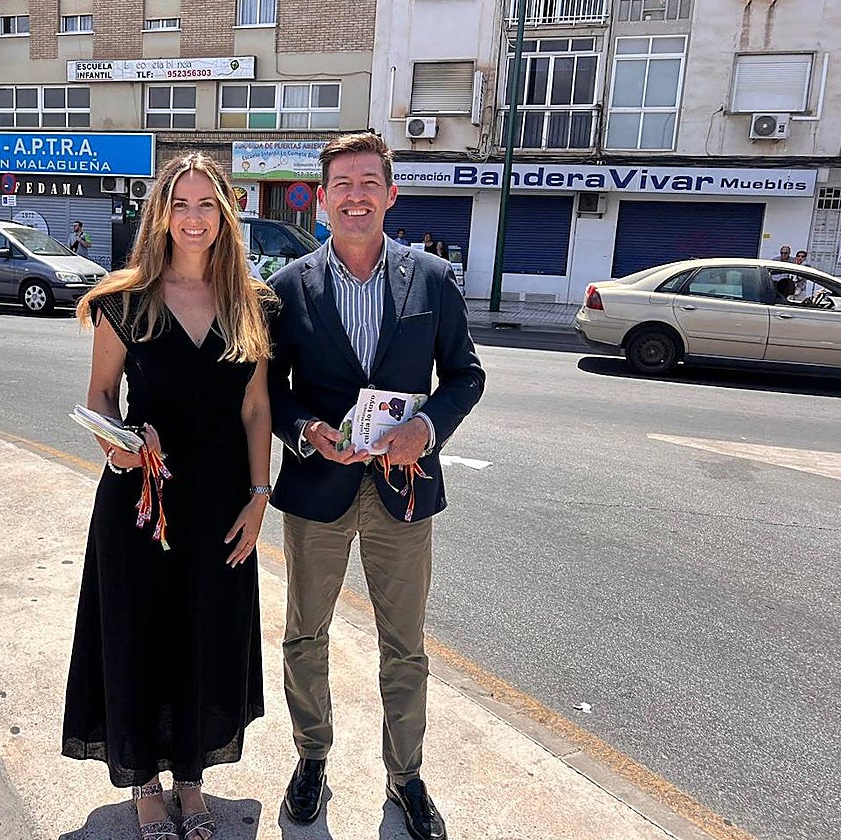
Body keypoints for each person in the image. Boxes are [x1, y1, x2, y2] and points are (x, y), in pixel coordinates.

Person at [266, 132, 485, 840]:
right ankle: (311, 760)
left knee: (406, 644)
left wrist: (426, 429)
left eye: (369, 182)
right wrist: (305, 431)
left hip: (405, 487)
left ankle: (406, 776)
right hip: (317, 489)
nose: (355, 195)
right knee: (305, 635)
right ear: (322, 199)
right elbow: (270, 388)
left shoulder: (431, 278)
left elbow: (465, 375)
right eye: (342, 184)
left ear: (391, 195)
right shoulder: (289, 285)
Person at [63, 152, 275, 840]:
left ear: (225, 215)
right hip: (140, 507)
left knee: (206, 636)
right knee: (139, 636)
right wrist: (116, 445)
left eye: (206, 205)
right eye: (179, 204)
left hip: (219, 505)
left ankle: (192, 778)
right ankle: (147, 786)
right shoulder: (122, 302)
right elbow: (99, 395)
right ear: (159, 214)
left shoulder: (253, 301)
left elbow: (255, 408)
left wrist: (259, 495)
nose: (193, 218)